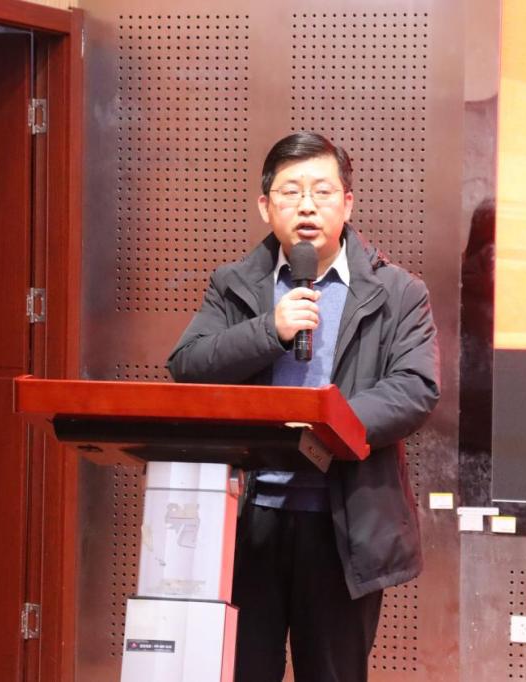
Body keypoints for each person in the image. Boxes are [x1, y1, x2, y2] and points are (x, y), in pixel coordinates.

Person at [166, 131, 440, 682]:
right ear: (265, 206)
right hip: (249, 525)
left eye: (322, 191)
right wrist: (270, 329)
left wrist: (324, 427)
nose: (307, 206)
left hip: (344, 527)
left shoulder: (398, 292)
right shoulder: (234, 284)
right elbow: (188, 364)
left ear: (348, 203)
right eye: (291, 192)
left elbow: (414, 388)